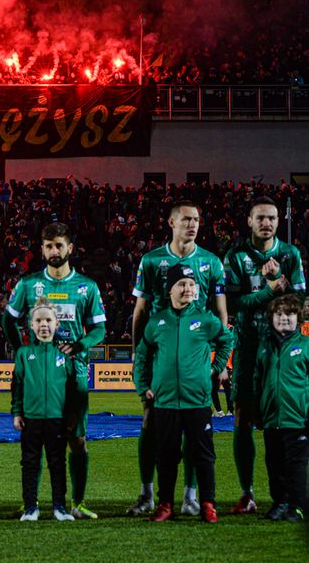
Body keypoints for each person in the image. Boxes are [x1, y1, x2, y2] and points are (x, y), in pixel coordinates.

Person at [128, 200, 227, 516]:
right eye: (186, 219)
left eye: (197, 219)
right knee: (150, 426)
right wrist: (137, 354)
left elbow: (221, 314)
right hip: (161, 350)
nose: (193, 224)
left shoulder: (211, 262)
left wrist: (218, 364)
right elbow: (140, 311)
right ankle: (148, 495)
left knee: (195, 428)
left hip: (194, 351)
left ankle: (191, 497)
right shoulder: (151, 260)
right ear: (171, 223)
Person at [3, 223, 106, 519]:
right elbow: (8, 320)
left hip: (73, 372)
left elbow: (99, 328)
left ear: (70, 248)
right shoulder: (28, 284)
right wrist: (23, 349)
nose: (54, 251)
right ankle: (31, 502)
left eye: (59, 245)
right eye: (49, 246)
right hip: (39, 370)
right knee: (33, 444)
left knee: (76, 438)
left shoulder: (86, 286)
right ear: (42, 249)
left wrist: (79, 345)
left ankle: (77, 502)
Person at [222, 196, 305, 514]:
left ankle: (287, 496)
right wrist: (268, 290)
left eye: (271, 217)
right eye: (261, 218)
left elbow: (299, 303)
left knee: (282, 422)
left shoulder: (290, 253)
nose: (267, 222)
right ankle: (247, 493)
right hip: (246, 346)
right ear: (250, 221)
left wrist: (280, 287)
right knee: (242, 419)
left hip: (281, 348)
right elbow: (231, 305)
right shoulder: (236, 256)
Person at [11, 301, 76, 522]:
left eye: (48, 320)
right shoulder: (23, 353)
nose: (44, 325)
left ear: (57, 324)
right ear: (31, 324)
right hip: (31, 419)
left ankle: (60, 507)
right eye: (39, 321)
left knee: (57, 463)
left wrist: (70, 417)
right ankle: (30, 507)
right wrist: (17, 412)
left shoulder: (65, 355)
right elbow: (17, 385)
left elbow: (71, 390)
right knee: (29, 463)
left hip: (57, 420)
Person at [253, 293, 308, 522]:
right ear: (271, 318)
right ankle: (280, 502)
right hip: (272, 418)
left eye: (289, 314)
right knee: (274, 465)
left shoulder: (306, 346)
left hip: (298, 418)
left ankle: (297, 507)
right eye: (278, 314)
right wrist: (258, 411)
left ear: (298, 318)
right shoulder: (264, 347)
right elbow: (258, 380)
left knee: (295, 467)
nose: (284, 318)